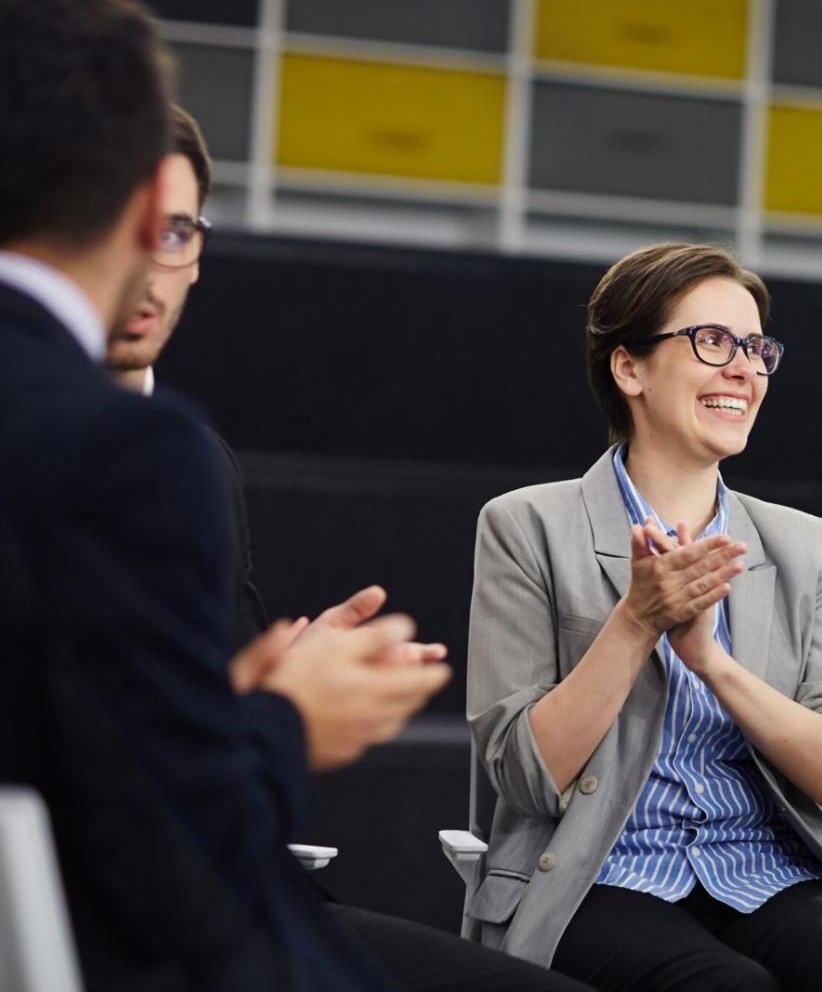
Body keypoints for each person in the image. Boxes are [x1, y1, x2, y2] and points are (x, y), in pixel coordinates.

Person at [0, 0, 452, 988]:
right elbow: (172, 848)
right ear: (130, 207)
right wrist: (287, 716)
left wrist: (232, 694)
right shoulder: (129, 452)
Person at [106, 99, 588, 992]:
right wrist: (279, 713)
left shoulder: (194, 459)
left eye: (176, 232)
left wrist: (279, 673)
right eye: (113, 224)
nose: (147, 266)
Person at [467, 242, 822, 990]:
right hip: (596, 874)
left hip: (766, 868)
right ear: (628, 367)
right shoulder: (527, 525)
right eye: (711, 342)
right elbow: (525, 777)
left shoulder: (804, 545)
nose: (744, 369)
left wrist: (714, 664)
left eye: (756, 348)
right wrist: (636, 622)